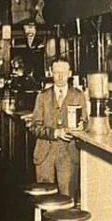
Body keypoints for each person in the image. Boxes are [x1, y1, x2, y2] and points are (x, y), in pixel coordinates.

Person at [29, 58, 89, 198]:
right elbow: (34, 127)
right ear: (51, 73)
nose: (60, 77)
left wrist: (82, 126)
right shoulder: (42, 96)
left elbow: (86, 122)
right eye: (56, 73)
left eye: (63, 72)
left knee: (68, 198)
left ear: (70, 73)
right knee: (44, 199)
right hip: (45, 154)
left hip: (69, 154)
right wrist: (55, 133)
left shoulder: (78, 95)